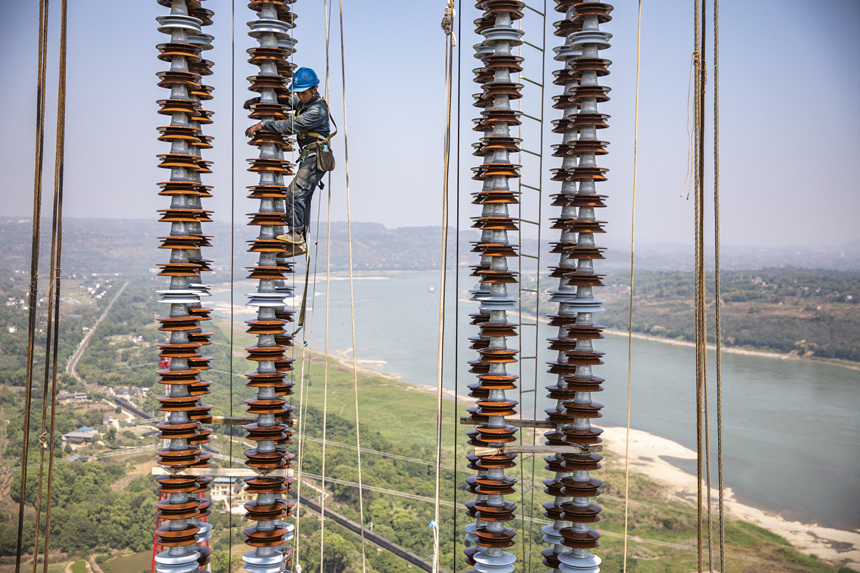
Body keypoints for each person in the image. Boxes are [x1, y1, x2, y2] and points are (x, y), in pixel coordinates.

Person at [245, 67, 331, 253]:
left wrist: (263, 125)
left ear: (314, 89)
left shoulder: (318, 110)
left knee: (295, 192)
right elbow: (286, 100)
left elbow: (290, 126)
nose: (300, 96)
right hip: (308, 156)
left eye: (304, 93)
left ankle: (295, 234)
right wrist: (260, 101)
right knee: (303, 197)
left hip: (315, 157)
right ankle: (298, 243)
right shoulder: (303, 100)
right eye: (298, 93)